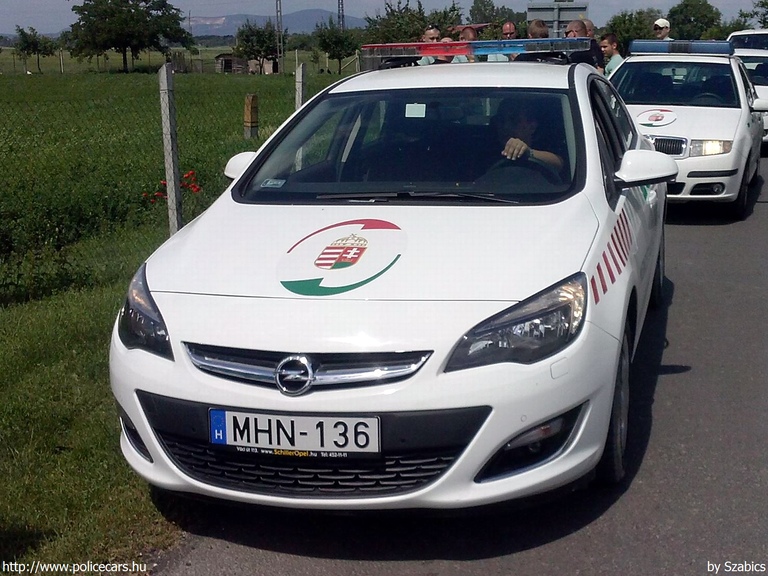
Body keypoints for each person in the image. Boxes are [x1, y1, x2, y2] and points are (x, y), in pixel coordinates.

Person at [492, 98, 564, 171]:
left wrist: (528, 153)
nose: (505, 126)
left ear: (532, 126)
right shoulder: (486, 151)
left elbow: (559, 164)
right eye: (501, 120)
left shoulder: (545, 146)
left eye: (514, 120)